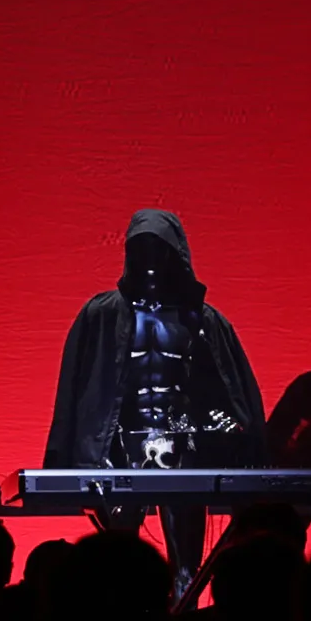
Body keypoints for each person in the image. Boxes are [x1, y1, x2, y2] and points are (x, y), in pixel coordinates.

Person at [45, 209, 265, 596]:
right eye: (140, 248)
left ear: (174, 254)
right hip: (117, 452)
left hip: (186, 452)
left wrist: (244, 444)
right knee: (117, 569)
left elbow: (231, 388)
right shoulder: (100, 315)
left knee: (188, 572)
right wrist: (65, 458)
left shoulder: (204, 320)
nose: (149, 259)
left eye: (158, 248)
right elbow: (74, 391)